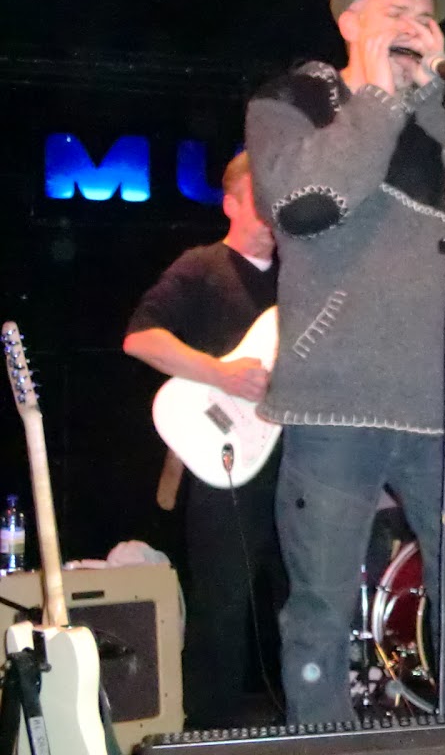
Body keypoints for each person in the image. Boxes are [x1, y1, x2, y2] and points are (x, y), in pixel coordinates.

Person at [244, 0, 445, 721]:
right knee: (322, 607)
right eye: (395, 12)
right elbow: (305, 201)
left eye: (425, 16)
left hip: (444, 396)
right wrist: (373, 96)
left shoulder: (444, 110)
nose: (415, 26)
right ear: (348, 23)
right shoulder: (295, 98)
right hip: (336, 395)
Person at [125, 151, 285, 729]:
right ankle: (211, 733)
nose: (273, 211)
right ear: (231, 204)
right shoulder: (201, 266)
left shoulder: (304, 276)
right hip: (224, 463)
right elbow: (141, 339)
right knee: (222, 609)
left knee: (304, 602)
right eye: (260, 199)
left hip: (298, 463)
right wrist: (218, 373)